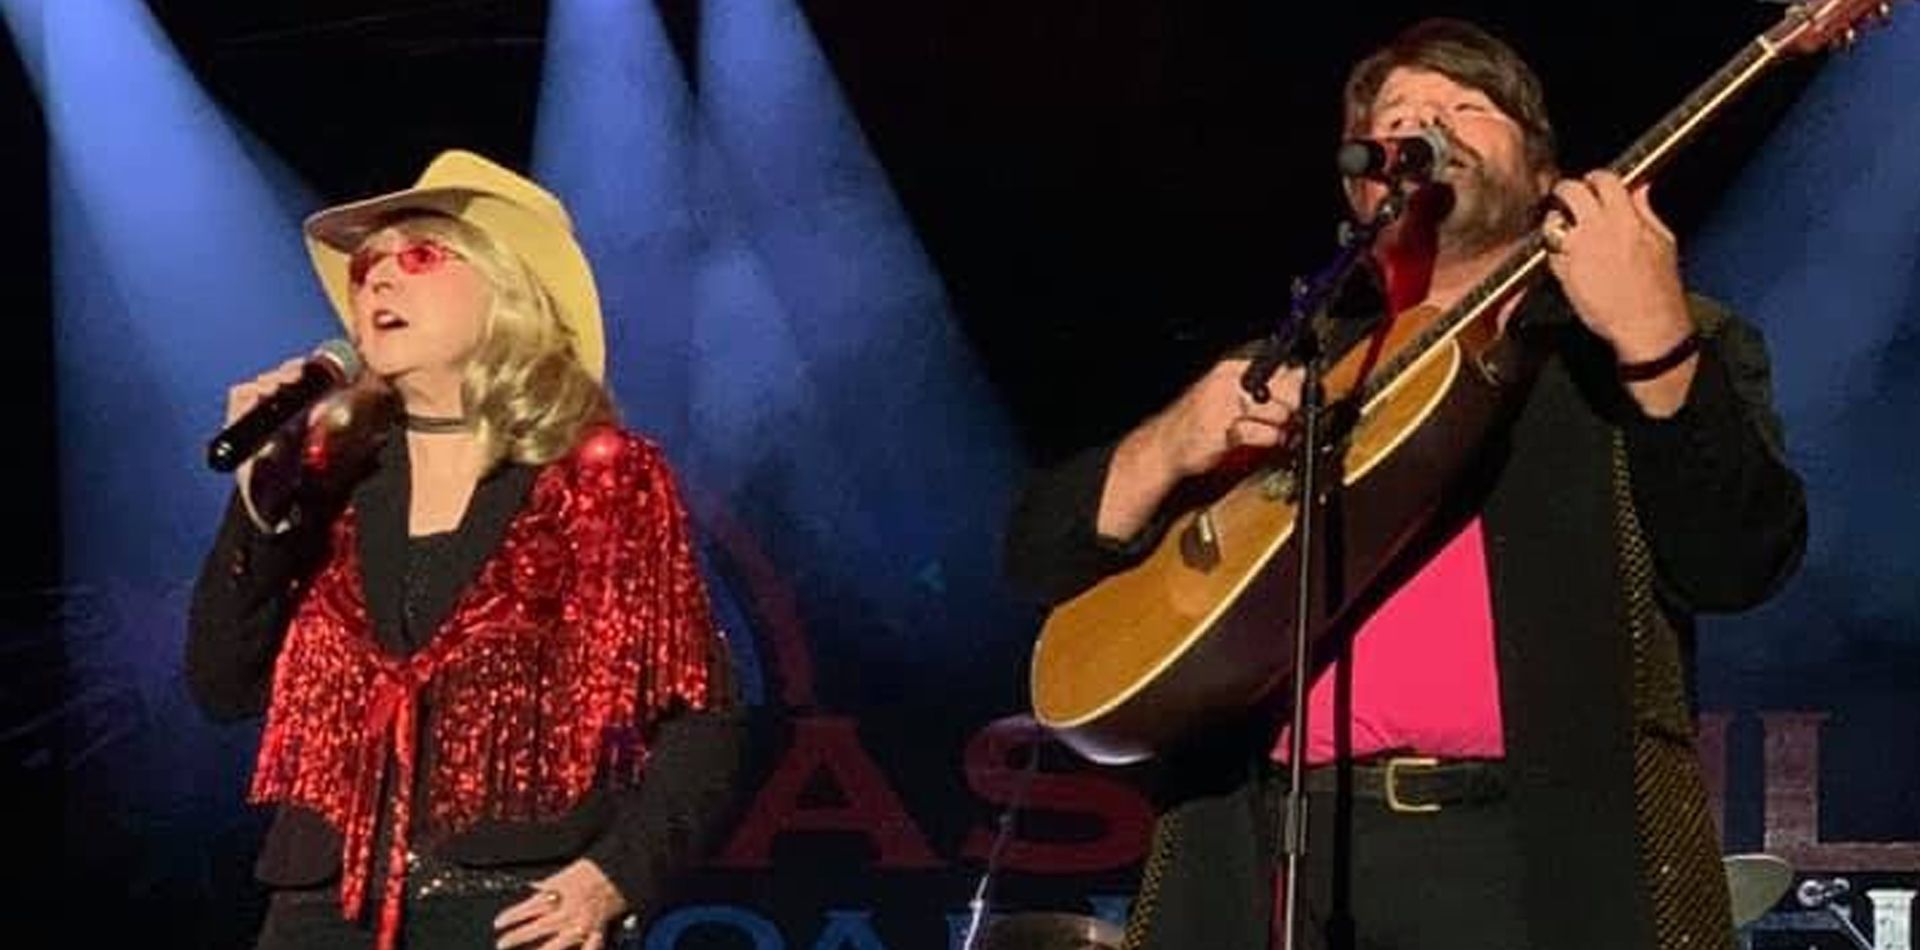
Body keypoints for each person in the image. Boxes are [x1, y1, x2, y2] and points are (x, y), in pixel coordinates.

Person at [1003, 18, 1807, 950]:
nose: (1432, 123)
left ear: (1546, 174)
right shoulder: (1288, 373)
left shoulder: (1638, 340)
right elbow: (1038, 562)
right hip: (1274, 851)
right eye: (1402, 115)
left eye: (1469, 108)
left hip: (1532, 859)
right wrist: (1173, 444)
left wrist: (1657, 345)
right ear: (1360, 183)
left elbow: (1741, 563)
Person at [186, 150, 746, 950]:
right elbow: (221, 686)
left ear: (505, 291)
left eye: (416, 257)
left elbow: (705, 714)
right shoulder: (329, 485)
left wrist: (620, 871)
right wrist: (258, 504)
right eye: (367, 268)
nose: (377, 280)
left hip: (513, 906)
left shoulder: (597, 479)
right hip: (322, 908)